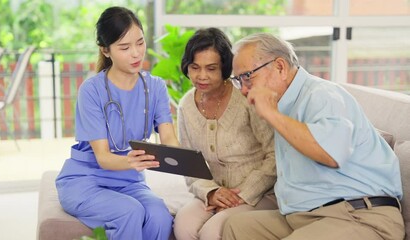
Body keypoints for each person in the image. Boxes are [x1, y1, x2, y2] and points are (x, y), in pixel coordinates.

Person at [222, 32, 404, 240]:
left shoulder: (322, 95)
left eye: (247, 76)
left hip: (358, 215)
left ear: (280, 67)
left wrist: (271, 114)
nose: (244, 90)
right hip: (304, 217)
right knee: (237, 227)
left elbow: (331, 154)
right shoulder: (284, 104)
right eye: (238, 81)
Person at [55, 6, 178, 240]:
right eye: (125, 47)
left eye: (140, 43)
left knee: (160, 217)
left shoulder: (156, 87)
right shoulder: (91, 90)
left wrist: (179, 156)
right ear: (106, 50)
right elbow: (103, 157)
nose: (136, 53)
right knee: (129, 212)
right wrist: (133, 160)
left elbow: (169, 138)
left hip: (129, 181)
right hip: (86, 180)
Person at [173, 28, 277, 240]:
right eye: (195, 67)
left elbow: (275, 155)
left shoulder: (246, 98)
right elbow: (189, 165)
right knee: (183, 226)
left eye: (211, 68)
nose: (202, 76)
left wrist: (242, 195)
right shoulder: (186, 105)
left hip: (259, 193)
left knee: (214, 231)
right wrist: (211, 192)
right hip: (217, 192)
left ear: (225, 68)